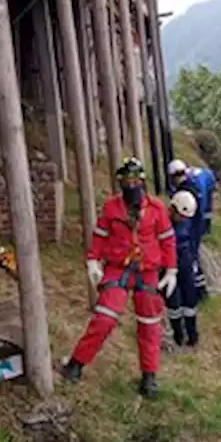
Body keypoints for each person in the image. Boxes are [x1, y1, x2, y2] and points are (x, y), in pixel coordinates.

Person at [61, 157, 178, 398]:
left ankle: (149, 376)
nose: (131, 185)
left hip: (147, 272)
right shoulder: (112, 208)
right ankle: (76, 364)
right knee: (104, 319)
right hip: (118, 268)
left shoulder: (156, 210)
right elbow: (100, 235)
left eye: (135, 181)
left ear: (142, 182)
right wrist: (93, 260)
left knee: (149, 325)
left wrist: (171, 270)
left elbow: (167, 240)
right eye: (126, 181)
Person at [167, 159, 218, 297]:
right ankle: (199, 288)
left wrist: (200, 228)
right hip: (194, 221)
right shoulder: (192, 182)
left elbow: (200, 212)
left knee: (191, 254)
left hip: (193, 224)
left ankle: (198, 290)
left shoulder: (192, 188)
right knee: (191, 254)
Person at [166, 189, 202, 349]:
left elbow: (194, 241)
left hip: (185, 264)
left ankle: (192, 335)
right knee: (173, 303)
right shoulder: (162, 222)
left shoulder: (188, 222)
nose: (182, 219)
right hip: (168, 266)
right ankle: (178, 335)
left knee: (190, 301)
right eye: (180, 216)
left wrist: (194, 262)